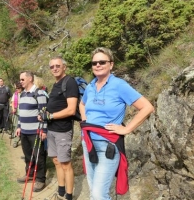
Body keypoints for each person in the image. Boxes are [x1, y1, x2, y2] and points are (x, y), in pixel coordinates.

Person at [79, 47, 154, 200]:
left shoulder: (119, 85)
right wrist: (85, 121)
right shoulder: (91, 86)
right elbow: (82, 104)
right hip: (88, 143)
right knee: (93, 191)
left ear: (111, 64)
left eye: (102, 62)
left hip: (108, 145)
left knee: (100, 194)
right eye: (94, 63)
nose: (97, 65)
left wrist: (127, 129)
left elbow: (147, 107)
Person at [40, 57, 79, 200]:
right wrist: (44, 115)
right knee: (56, 161)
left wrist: (50, 116)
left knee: (66, 163)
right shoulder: (56, 84)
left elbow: (71, 110)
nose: (55, 68)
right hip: (52, 129)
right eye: (52, 67)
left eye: (58, 66)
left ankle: (69, 195)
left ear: (64, 67)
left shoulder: (70, 83)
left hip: (63, 129)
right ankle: (60, 191)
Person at [15, 71, 48, 192]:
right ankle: (29, 174)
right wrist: (18, 126)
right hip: (24, 131)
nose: (20, 82)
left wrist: (44, 130)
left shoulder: (39, 93)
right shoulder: (22, 94)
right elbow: (20, 113)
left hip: (35, 131)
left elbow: (43, 113)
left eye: (22, 79)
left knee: (38, 156)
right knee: (28, 155)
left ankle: (40, 179)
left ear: (30, 79)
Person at [10, 81, 23, 146]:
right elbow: (12, 102)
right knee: (16, 127)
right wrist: (13, 109)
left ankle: (23, 140)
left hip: (23, 114)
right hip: (17, 113)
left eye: (18, 88)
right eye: (16, 88)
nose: (17, 89)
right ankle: (16, 141)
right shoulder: (15, 94)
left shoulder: (25, 93)